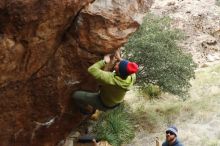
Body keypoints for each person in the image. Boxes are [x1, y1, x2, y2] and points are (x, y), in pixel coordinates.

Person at [72, 53, 138, 114]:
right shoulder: (131, 76)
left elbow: (91, 70)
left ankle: (87, 110)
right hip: (113, 102)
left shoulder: (111, 79)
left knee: (76, 95)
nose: (117, 63)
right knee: (99, 88)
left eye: (118, 64)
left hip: (103, 103)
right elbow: (127, 67)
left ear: (118, 70)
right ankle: (94, 105)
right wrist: (119, 58)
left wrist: (104, 61)